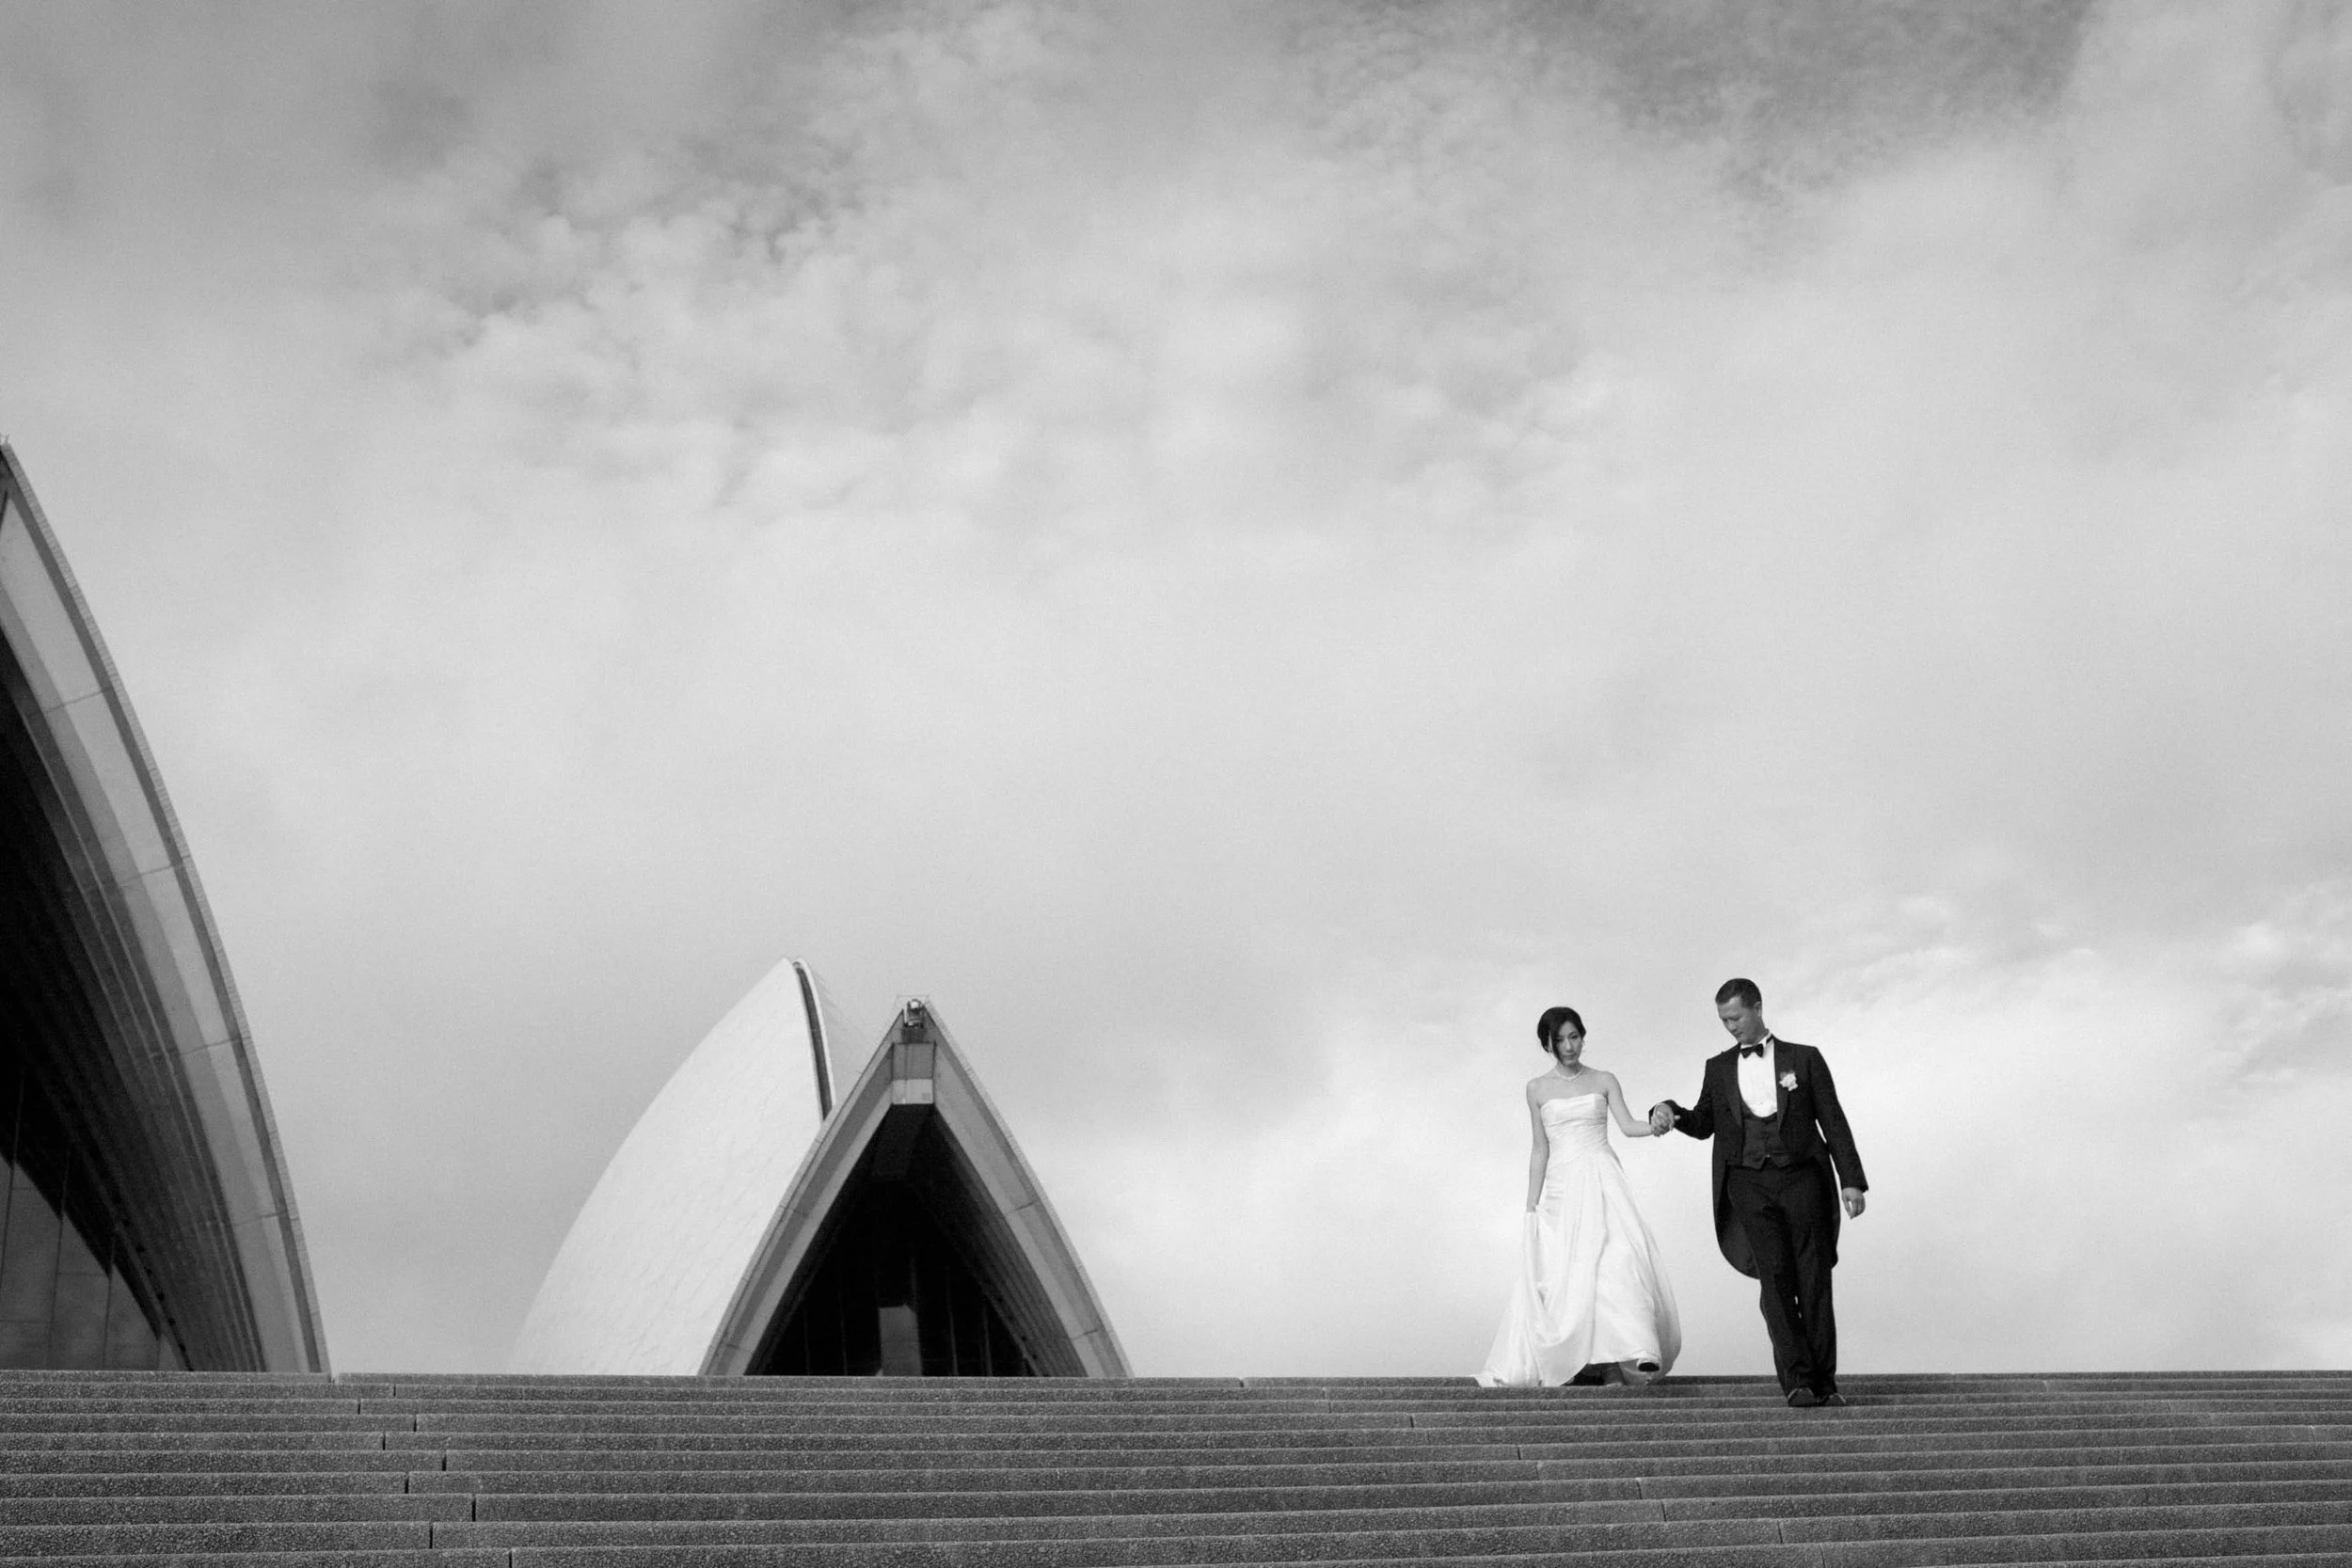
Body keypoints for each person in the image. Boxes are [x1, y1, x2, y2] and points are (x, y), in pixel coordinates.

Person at [1647, 978, 1867, 1408]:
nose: (1730, 1027)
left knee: (1815, 1279)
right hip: (1748, 1183)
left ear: (1757, 1008)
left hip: (1803, 1178)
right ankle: (1799, 1382)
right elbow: (1704, 1122)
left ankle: (1826, 1381)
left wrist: (1852, 1180)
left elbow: (1833, 1120)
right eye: (1723, 1021)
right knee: (1775, 1281)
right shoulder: (1717, 1067)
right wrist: (1669, 1111)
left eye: (1735, 1017)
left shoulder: (1804, 1059)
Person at [1478, 1005, 1680, 1387]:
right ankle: (1578, 1365)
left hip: (1603, 1179)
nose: (1570, 1047)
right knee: (1566, 1275)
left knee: (1617, 1261)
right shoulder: (1536, 1088)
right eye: (1560, 1040)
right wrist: (1530, 1205)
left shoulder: (1604, 1079)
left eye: (1575, 1037)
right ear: (1547, 1045)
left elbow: (1628, 1125)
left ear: (1583, 1037)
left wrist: (1656, 1126)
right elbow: (1540, 1148)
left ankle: (1636, 1350)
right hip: (1561, 1189)